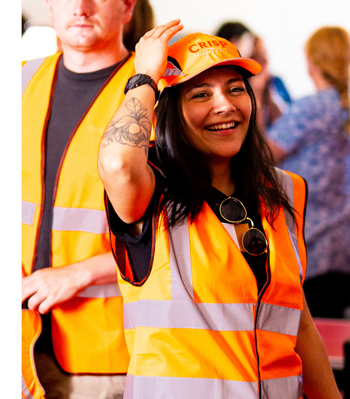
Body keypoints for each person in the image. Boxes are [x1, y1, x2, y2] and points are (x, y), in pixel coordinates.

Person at [98, 19, 341, 398]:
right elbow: (116, 163)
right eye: (200, 94)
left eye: (235, 89)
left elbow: (299, 323)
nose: (225, 104)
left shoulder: (282, 190)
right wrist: (145, 77)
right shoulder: (153, 191)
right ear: (171, 110)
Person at [21, 0, 138, 398]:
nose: (81, 7)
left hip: (106, 354)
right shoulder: (20, 81)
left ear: (127, 7)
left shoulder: (157, 95)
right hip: (20, 343)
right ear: (50, 7)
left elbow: (184, 230)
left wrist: (80, 272)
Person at [268, 26, 350, 319]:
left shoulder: (312, 107)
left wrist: (252, 92)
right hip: (344, 244)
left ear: (312, 61)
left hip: (313, 246)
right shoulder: (340, 107)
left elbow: (262, 153)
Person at [215, 21, 291, 130]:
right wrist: (257, 94)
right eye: (258, 55)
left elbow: (286, 127)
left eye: (265, 54)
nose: (265, 60)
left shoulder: (274, 82)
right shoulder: (236, 86)